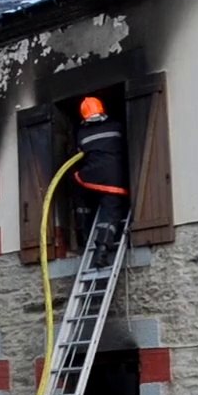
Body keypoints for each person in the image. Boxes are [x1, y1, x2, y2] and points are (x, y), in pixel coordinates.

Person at [72, 96, 130, 268]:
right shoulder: (116, 126)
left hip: (89, 177)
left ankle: (83, 234)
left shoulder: (82, 134)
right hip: (114, 178)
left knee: (82, 198)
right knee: (110, 212)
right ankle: (101, 251)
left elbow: (79, 154)